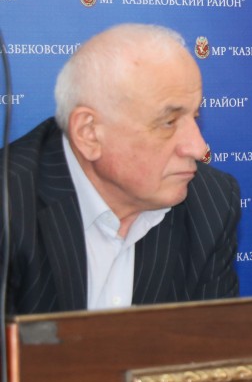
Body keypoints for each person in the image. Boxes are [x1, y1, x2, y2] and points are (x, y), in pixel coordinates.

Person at [5, 23, 240, 314]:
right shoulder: (10, 204)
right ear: (90, 133)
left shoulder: (211, 202)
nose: (198, 147)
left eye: (195, 116)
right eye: (168, 122)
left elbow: (208, 339)